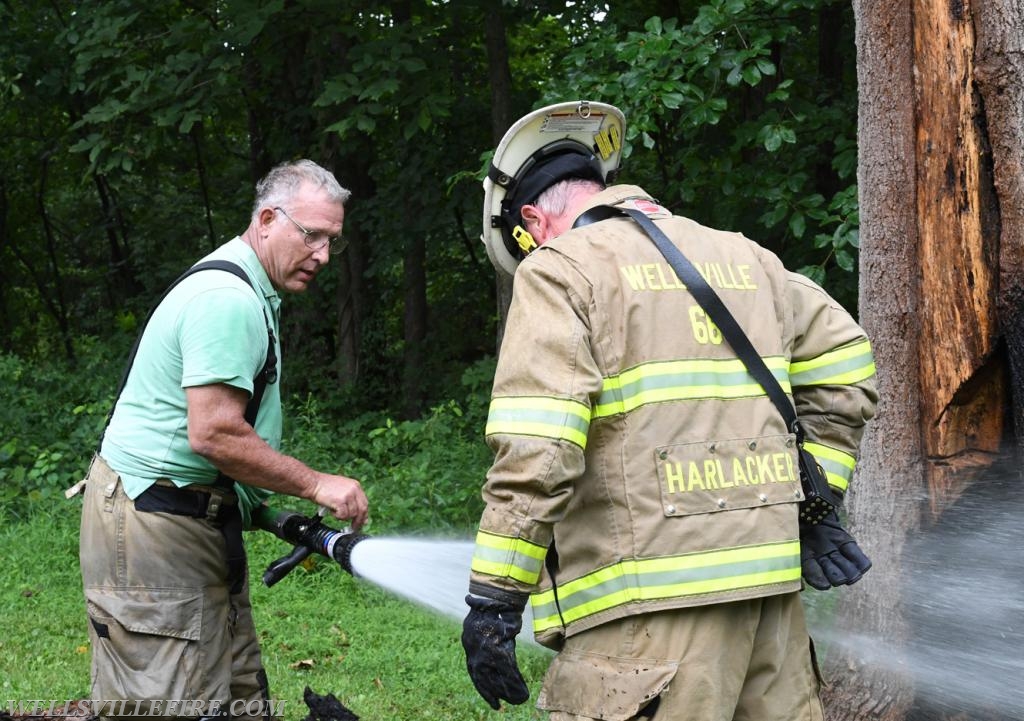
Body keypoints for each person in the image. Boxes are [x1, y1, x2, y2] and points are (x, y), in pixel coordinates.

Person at [460, 101, 878, 720]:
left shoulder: (560, 270)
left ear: (531, 221)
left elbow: (539, 448)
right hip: (770, 609)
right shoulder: (747, 258)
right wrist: (812, 496)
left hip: (645, 619)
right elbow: (847, 360)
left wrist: (494, 597)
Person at [77, 159, 369, 718]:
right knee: (173, 701)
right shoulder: (229, 299)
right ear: (266, 219)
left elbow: (212, 446)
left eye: (333, 241)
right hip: (154, 524)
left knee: (231, 690)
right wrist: (315, 486)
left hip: (189, 515)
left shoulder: (248, 286)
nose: (324, 255)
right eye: (312, 236)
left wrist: (265, 513)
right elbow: (212, 433)